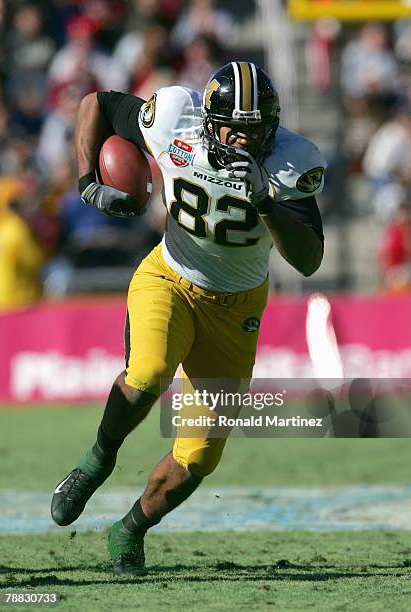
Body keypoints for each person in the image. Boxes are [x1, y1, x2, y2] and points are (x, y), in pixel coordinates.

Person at [51, 61, 326, 575]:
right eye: (233, 131)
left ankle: (129, 530)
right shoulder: (176, 116)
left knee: (198, 458)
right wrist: (88, 181)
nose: (245, 143)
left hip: (238, 305)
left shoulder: (291, 161)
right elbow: (98, 105)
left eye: (256, 132)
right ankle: (97, 461)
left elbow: (308, 258)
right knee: (150, 370)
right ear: (208, 121)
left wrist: (265, 196)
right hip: (170, 277)